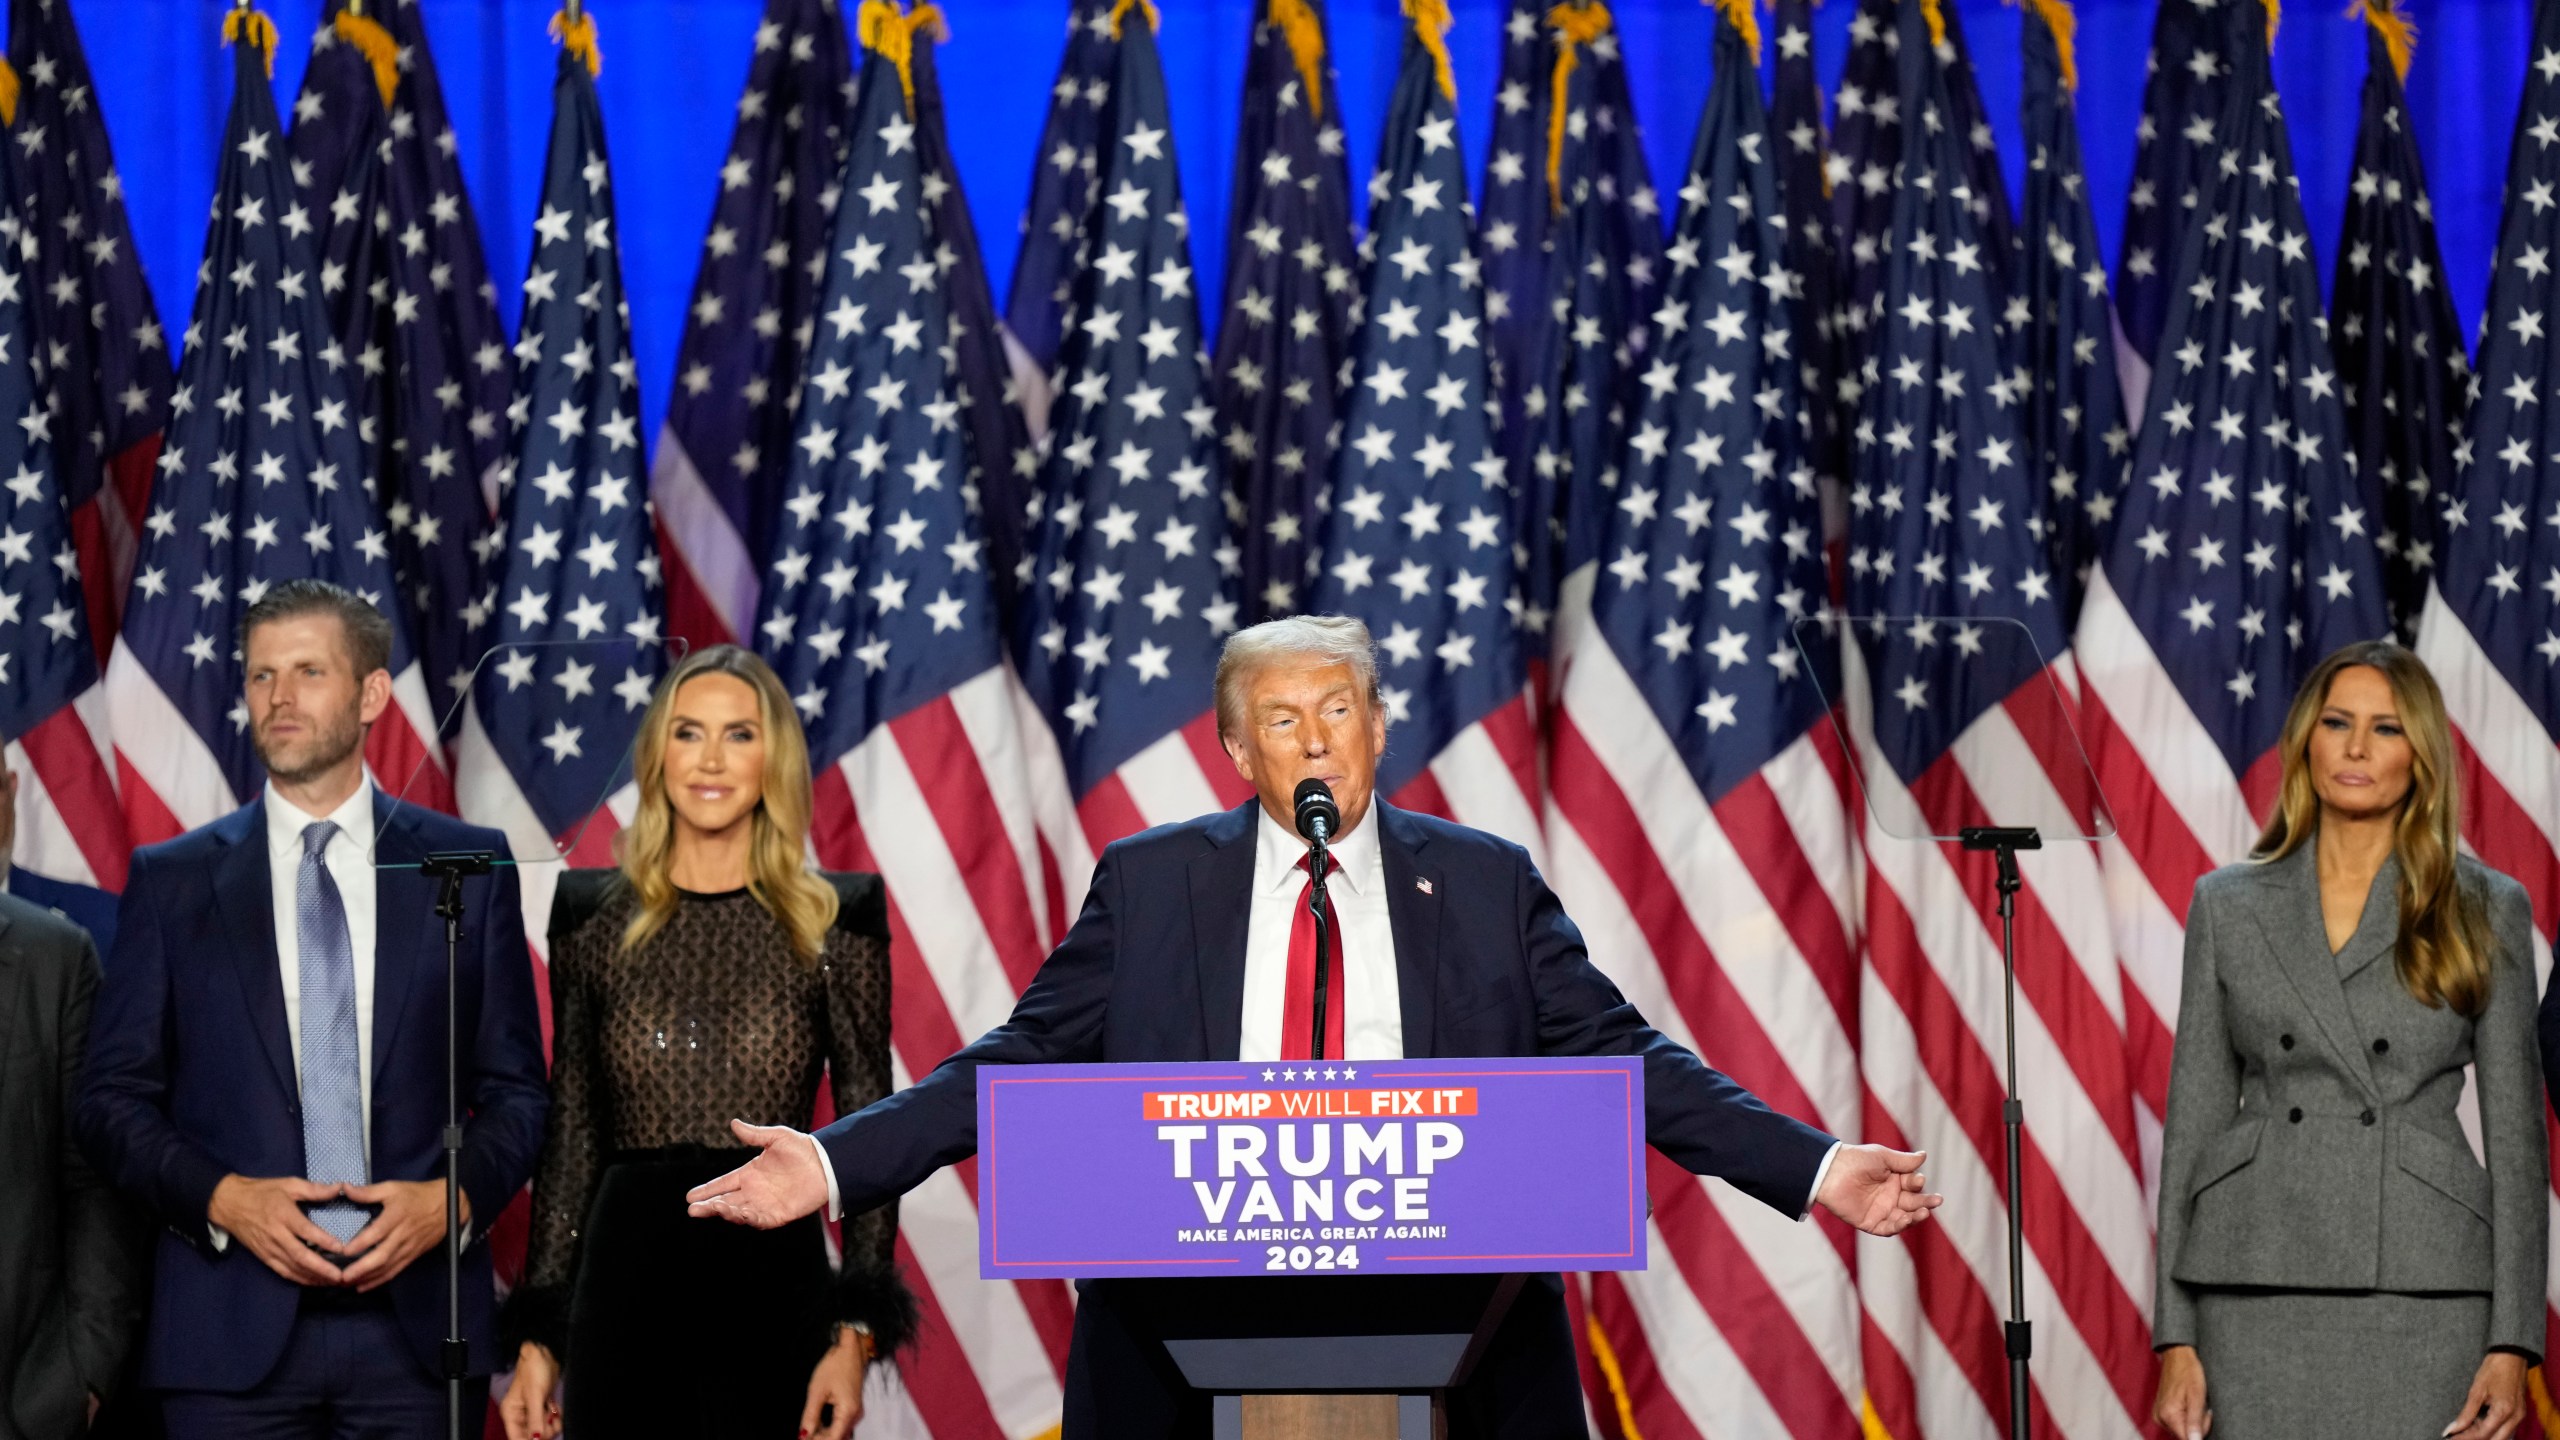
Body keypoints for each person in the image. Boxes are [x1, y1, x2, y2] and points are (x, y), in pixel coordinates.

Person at [685, 614, 1942, 1439]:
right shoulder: (1154, 881)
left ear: (1379, 725)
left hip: (1456, 1309)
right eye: (1279, 720)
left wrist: (1818, 1169)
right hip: (1193, 1311)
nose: (1314, 738)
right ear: (1237, 749)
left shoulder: (1486, 881)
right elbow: (1018, 1061)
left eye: (1337, 710)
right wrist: (839, 1159)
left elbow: (1625, 1060)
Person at [76, 580, 550, 1439]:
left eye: (307, 671)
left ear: (372, 693)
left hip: (417, 1336)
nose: (279, 698)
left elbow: (518, 1092)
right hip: (226, 1336)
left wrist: (450, 1201)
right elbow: (110, 1102)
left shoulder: (466, 866)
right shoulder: (172, 881)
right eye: (260, 677)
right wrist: (223, 1199)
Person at [496, 646, 914, 1440]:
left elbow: (871, 1136)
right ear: (658, 755)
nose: (712, 759)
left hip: (773, 1281)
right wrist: (539, 1335)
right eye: (689, 733)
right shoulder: (590, 915)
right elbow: (573, 1134)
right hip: (622, 1278)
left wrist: (854, 1340)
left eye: (739, 735)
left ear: (774, 758)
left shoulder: (837, 917)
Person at [2152, 640, 2546, 1440]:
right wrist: (2176, 1332)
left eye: (2387, 728)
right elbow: (2192, 1122)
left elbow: (2518, 1144)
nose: (2358, 748)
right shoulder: (2227, 905)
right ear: (2307, 739)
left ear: (2422, 755)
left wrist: (2513, 1341)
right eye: (2338, 722)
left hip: (2422, 1285)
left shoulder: (2485, 906)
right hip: (2252, 1279)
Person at [0, 765, 148, 1440]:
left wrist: (82, 1371)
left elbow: (97, 1181)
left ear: (8, 792)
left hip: (24, 1401)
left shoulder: (56, 959)